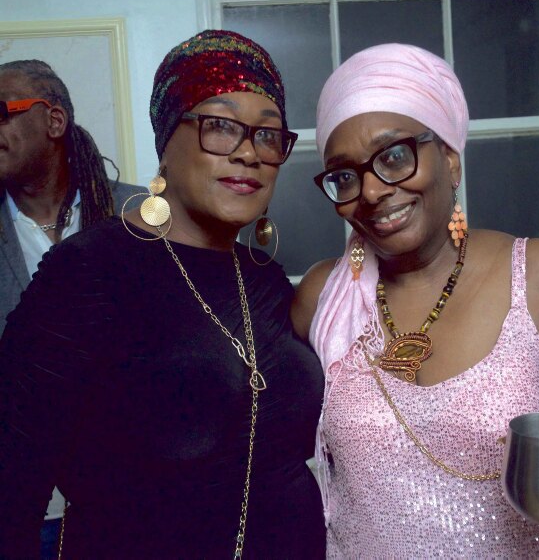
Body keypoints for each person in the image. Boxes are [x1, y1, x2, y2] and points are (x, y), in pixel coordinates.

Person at [291, 43, 539, 558]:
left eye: (394, 156)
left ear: (449, 159)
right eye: (345, 175)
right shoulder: (323, 299)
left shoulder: (536, 275)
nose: (372, 191)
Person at [0, 31, 325, 558]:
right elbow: (12, 490)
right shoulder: (88, 272)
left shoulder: (264, 278)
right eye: (220, 126)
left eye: (267, 135)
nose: (249, 153)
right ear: (167, 140)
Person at [0, 59, 145, 557]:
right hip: (20, 513)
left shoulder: (141, 218)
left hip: (133, 505)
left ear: (54, 120)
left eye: (2, 112)